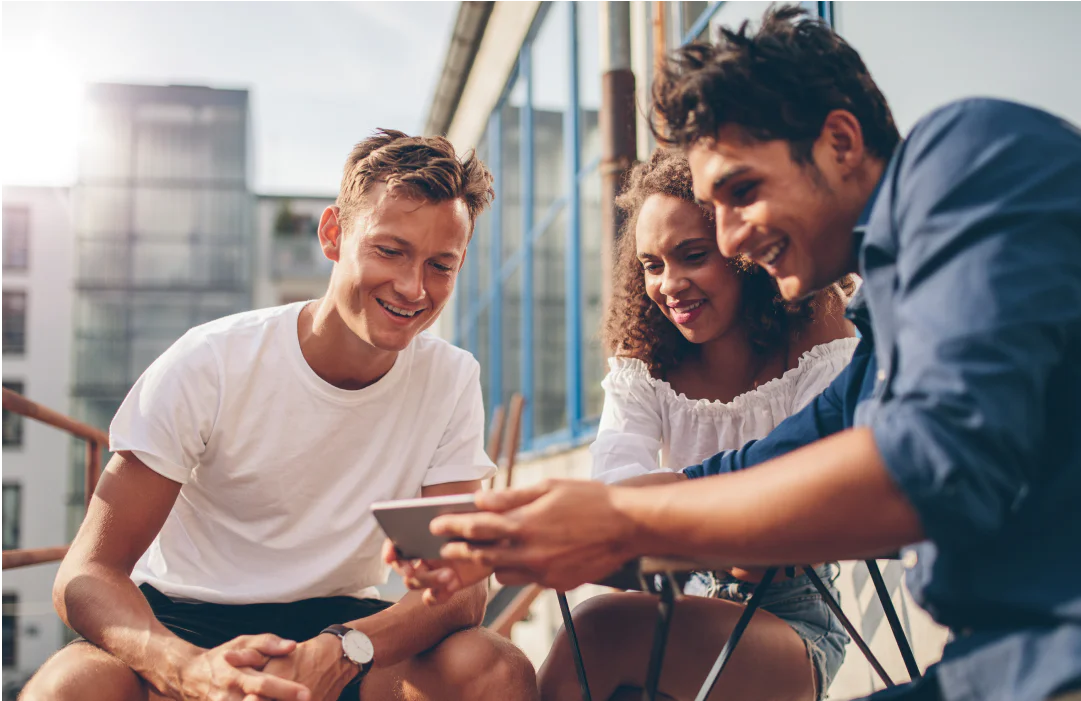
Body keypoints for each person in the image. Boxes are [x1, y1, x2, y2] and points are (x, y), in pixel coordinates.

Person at [409, 7, 1081, 701]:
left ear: (840, 142)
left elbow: (931, 462)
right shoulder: (880, 341)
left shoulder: (967, 158)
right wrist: (520, 529)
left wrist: (619, 523)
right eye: (713, 207)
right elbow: (741, 471)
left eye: (740, 192)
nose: (729, 239)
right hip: (1003, 663)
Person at [22, 130, 538, 701]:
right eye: (390, 250)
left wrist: (347, 648)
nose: (414, 287)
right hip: (186, 623)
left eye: (441, 265)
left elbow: (462, 586)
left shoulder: (450, 377)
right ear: (333, 234)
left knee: (494, 668)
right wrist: (188, 668)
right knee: (68, 686)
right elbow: (86, 573)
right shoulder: (212, 360)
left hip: (343, 629)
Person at [537, 147, 855, 701]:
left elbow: (822, 487)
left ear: (742, 250)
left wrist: (665, 516)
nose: (669, 284)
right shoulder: (646, 364)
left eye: (692, 255)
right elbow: (615, 490)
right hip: (689, 600)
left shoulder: (815, 327)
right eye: (652, 265)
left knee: (595, 634)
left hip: (798, 615)